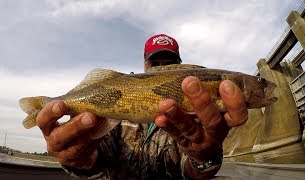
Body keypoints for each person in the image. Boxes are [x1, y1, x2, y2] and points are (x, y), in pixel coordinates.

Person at [36, 33, 248, 179]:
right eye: (156, 63)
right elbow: (97, 158)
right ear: (145, 66)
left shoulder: (193, 112)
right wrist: (79, 158)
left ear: (181, 65)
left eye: (170, 63)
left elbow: (192, 171)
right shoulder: (113, 114)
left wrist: (204, 155)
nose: (163, 68)